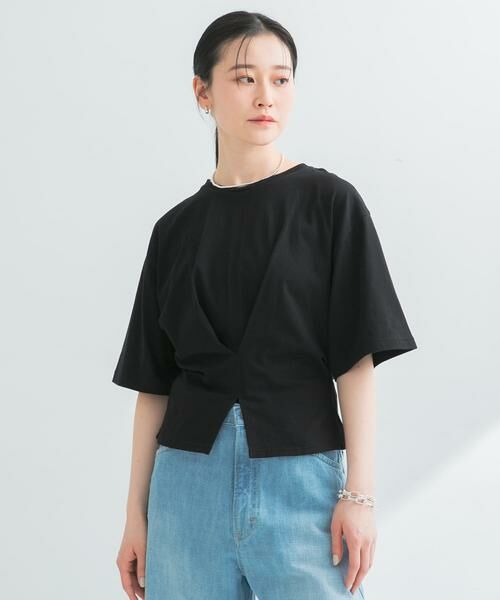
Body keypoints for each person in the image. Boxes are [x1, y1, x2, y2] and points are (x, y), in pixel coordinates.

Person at [113, 10, 417, 600]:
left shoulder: (331, 204)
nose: (265, 96)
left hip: (302, 483)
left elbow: (355, 362)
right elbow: (154, 384)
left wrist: (360, 496)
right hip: (185, 490)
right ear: (203, 92)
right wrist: (135, 514)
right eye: (244, 78)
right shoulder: (173, 231)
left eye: (281, 79)